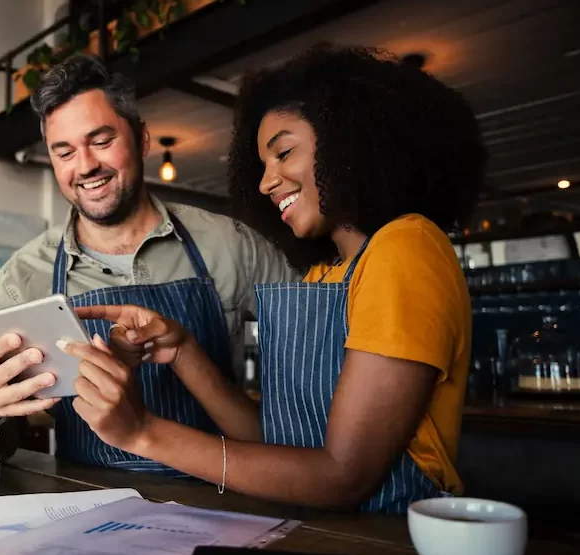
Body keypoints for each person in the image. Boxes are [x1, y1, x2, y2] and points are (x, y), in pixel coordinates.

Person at [57, 44, 487, 513]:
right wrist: (183, 351)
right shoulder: (328, 274)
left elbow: (343, 476)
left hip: (390, 537)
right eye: (262, 165)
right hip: (319, 532)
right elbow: (278, 445)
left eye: (283, 152)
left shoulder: (406, 248)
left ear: (351, 140)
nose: (266, 182)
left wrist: (141, 432)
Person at [0, 54, 300, 475]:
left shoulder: (233, 245)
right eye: (64, 151)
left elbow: (313, 373)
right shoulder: (21, 281)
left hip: (231, 497)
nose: (86, 166)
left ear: (142, 138)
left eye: (101, 140)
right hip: (86, 505)